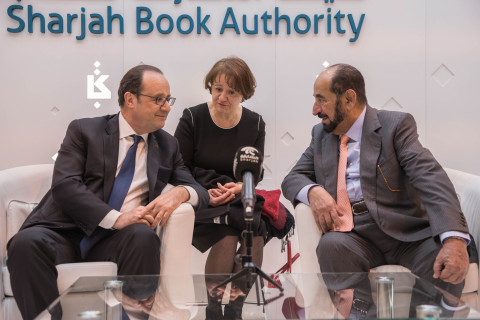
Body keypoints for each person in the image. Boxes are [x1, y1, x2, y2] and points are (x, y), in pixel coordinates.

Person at [7, 64, 209, 320]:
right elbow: (65, 187)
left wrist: (179, 193)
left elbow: (199, 191)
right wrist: (116, 217)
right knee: (26, 244)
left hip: (117, 242)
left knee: (144, 236)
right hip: (65, 231)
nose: (167, 107)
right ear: (130, 99)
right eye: (158, 99)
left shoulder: (167, 144)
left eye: (168, 99)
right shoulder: (85, 131)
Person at [282, 63, 477, 316]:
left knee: (443, 256)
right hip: (354, 236)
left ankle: (435, 314)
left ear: (349, 98)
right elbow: (292, 178)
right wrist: (313, 191)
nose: (315, 110)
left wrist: (453, 238)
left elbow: (430, 177)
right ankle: (357, 314)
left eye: (322, 100)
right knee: (331, 245)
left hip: (407, 233)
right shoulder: (321, 135)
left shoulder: (395, 126)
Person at [174, 56, 269, 319]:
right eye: (218, 89)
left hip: (237, 193)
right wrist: (203, 193)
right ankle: (214, 310)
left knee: (256, 235)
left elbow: (255, 171)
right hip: (202, 192)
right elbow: (178, 166)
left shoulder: (256, 123)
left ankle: (235, 310)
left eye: (231, 91)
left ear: (244, 94)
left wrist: (239, 187)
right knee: (227, 235)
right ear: (211, 87)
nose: (222, 97)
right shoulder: (193, 117)